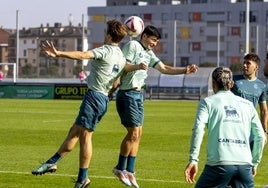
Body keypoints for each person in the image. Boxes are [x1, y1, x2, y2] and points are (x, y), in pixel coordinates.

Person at [31, 19, 147, 188]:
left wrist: (59, 53)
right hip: (102, 99)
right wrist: (135, 68)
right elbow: (118, 79)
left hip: (94, 97)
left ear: (108, 34)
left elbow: (83, 55)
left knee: (85, 137)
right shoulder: (121, 56)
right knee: (74, 132)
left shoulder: (105, 50)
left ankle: (82, 179)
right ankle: (52, 162)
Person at [110, 25, 198, 188]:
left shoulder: (148, 53)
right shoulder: (132, 46)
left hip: (138, 95)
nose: (155, 43)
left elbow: (164, 69)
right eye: (153, 40)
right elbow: (123, 66)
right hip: (127, 93)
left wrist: (184, 70)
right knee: (133, 132)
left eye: (156, 41)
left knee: (139, 134)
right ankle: (120, 167)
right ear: (144, 36)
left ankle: (130, 170)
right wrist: (137, 66)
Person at [184, 67, 266, 188]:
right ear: (232, 84)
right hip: (244, 165)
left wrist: (193, 159)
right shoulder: (248, 105)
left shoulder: (207, 102)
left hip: (219, 164)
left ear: (213, 83)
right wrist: (254, 163)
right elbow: (260, 136)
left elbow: (198, 129)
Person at [231, 53, 268, 143]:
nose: (244, 65)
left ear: (256, 67)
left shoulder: (262, 86)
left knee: (251, 155)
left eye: (248, 63)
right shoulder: (233, 80)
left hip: (251, 126)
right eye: (244, 63)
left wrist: (265, 130)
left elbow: (264, 110)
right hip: (234, 124)